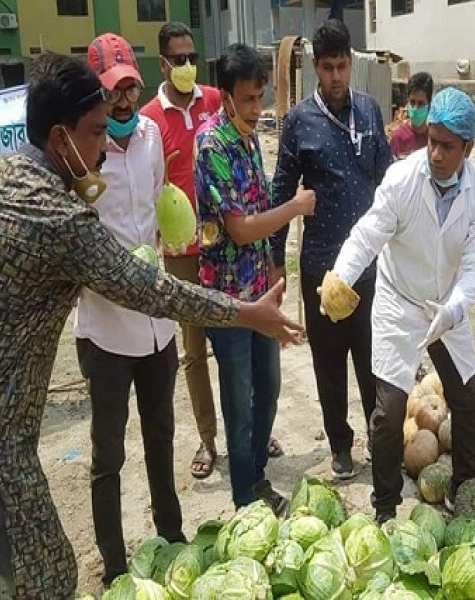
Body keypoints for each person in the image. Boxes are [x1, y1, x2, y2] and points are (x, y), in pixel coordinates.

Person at [0, 52, 301, 599]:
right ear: (60, 138)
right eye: (96, 132)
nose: (104, 145)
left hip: (6, 433)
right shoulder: (58, 219)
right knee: (44, 579)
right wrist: (247, 314)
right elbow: (149, 288)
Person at [321, 88, 475, 523]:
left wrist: (452, 309)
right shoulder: (402, 179)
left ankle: (464, 485)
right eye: (431, 140)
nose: (435, 153)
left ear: (468, 148)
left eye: (447, 146)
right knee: (390, 410)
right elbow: (368, 234)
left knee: (469, 396)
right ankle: (385, 505)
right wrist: (340, 275)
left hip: (446, 305)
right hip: (399, 302)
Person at [75, 32, 186, 588]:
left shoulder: (148, 136)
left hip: (157, 326)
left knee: (161, 436)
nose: (122, 103)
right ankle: (115, 565)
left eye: (128, 89)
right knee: (108, 455)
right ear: (95, 97)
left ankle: (171, 534)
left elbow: (158, 210)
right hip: (106, 332)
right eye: (111, 94)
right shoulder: (79, 155)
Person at [196, 43, 316, 511]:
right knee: (240, 402)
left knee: (268, 389)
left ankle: (257, 477)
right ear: (226, 97)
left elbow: (259, 210)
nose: (256, 107)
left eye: (261, 97)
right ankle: (246, 496)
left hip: (259, 296)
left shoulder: (248, 140)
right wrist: (297, 206)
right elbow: (241, 228)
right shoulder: (212, 146)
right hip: (227, 302)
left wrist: (274, 272)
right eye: (247, 99)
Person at [271, 19, 392, 479]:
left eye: (343, 66)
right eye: (328, 68)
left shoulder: (370, 111)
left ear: (351, 65)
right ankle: (340, 446)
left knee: (372, 359)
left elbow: (387, 177)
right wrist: (276, 262)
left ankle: (379, 439)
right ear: (315, 68)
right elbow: (283, 191)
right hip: (322, 266)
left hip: (369, 266)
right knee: (328, 364)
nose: (337, 76)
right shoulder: (300, 122)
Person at [141, 21, 226, 480]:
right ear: (163, 63)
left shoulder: (213, 100)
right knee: (194, 349)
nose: (188, 66)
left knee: (235, 337)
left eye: (192, 57)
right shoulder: (149, 120)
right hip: (181, 251)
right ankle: (209, 437)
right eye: (179, 59)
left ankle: (245, 427)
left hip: (223, 244)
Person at [390, 71, 433, 159]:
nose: (415, 108)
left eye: (421, 103)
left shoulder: (433, 138)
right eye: (412, 102)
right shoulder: (398, 138)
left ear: (429, 105)